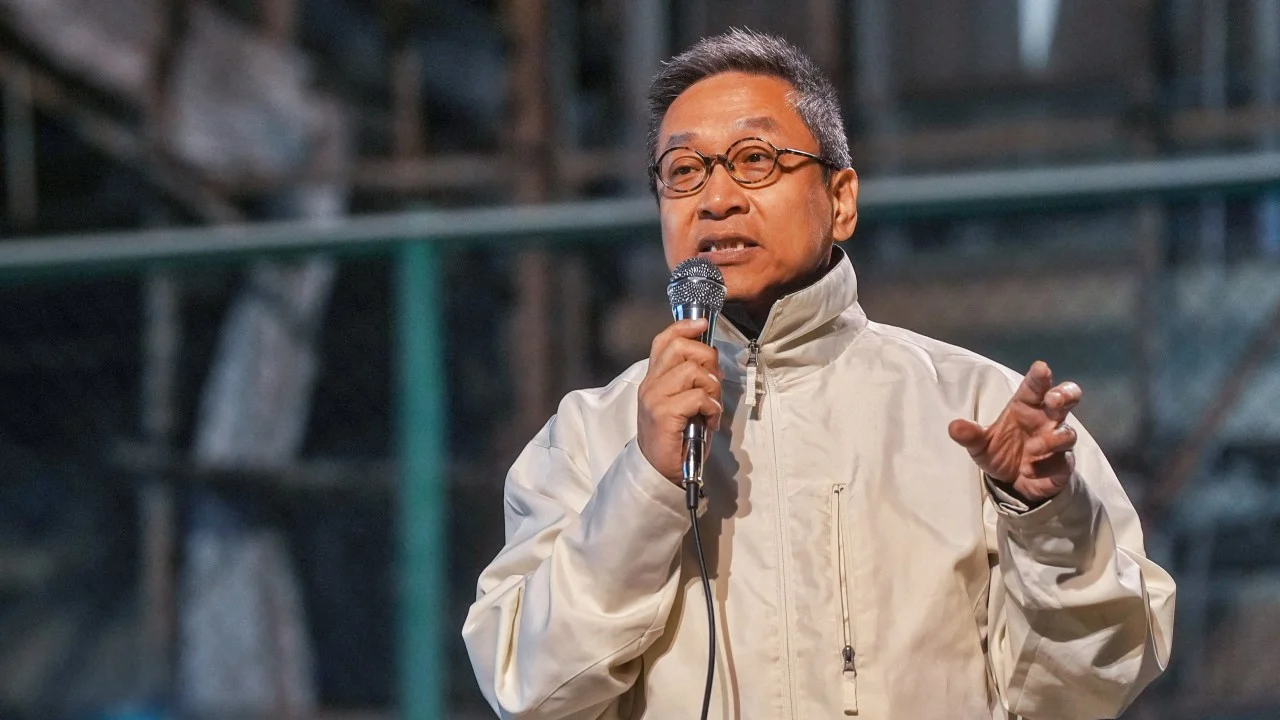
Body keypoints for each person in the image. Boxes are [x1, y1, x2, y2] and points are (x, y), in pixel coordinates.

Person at [462, 28, 1175, 720]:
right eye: (683, 171)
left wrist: (1045, 521)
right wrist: (645, 482)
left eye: (754, 160)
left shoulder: (978, 408)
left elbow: (1087, 690)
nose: (716, 198)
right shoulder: (588, 439)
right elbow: (530, 692)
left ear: (841, 201)